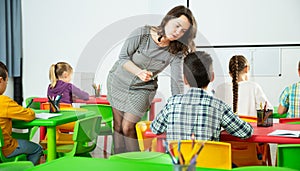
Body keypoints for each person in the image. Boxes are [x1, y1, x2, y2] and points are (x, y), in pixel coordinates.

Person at [106, 5, 197, 154]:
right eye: (177, 26)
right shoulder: (142, 33)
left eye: (183, 31)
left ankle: (136, 166)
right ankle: (119, 164)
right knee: (117, 126)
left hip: (142, 89)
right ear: (168, 20)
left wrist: (178, 105)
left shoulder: (177, 50)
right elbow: (123, 58)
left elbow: (177, 80)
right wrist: (139, 72)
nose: (178, 32)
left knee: (128, 127)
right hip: (118, 82)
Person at [150, 51, 253, 142]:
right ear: (212, 77)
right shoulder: (219, 107)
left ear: (185, 79)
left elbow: (155, 128)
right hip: (207, 163)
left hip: (178, 163)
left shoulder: (172, 103)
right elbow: (246, 132)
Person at [0, 61, 43, 165]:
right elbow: (29, 115)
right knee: (37, 149)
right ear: (0, 80)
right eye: (6, 82)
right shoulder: (4, 101)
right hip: (5, 149)